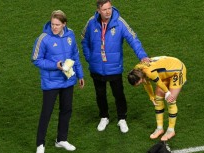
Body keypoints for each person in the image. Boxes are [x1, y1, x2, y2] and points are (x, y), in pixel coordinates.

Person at [81, 0, 150, 133]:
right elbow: (84, 39)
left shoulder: (119, 22)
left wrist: (142, 56)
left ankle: (122, 118)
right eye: (105, 9)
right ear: (98, 10)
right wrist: (89, 57)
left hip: (114, 66)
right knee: (100, 94)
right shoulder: (91, 22)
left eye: (109, 8)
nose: (108, 12)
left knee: (118, 93)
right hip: (96, 67)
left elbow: (133, 38)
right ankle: (104, 116)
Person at [31, 10, 84, 153]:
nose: (54, 27)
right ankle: (40, 144)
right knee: (46, 112)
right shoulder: (43, 38)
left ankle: (61, 140)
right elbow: (36, 59)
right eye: (53, 24)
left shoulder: (70, 34)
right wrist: (55, 65)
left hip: (68, 80)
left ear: (64, 24)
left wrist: (80, 75)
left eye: (57, 25)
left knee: (66, 110)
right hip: (51, 82)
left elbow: (75, 56)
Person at [127, 56, 187, 141]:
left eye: (138, 83)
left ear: (139, 78)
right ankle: (160, 128)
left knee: (170, 100)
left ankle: (171, 130)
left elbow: (158, 82)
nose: (139, 84)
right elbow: (146, 83)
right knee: (158, 99)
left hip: (177, 70)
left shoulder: (149, 72)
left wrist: (167, 92)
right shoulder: (137, 70)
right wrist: (151, 97)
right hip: (165, 71)